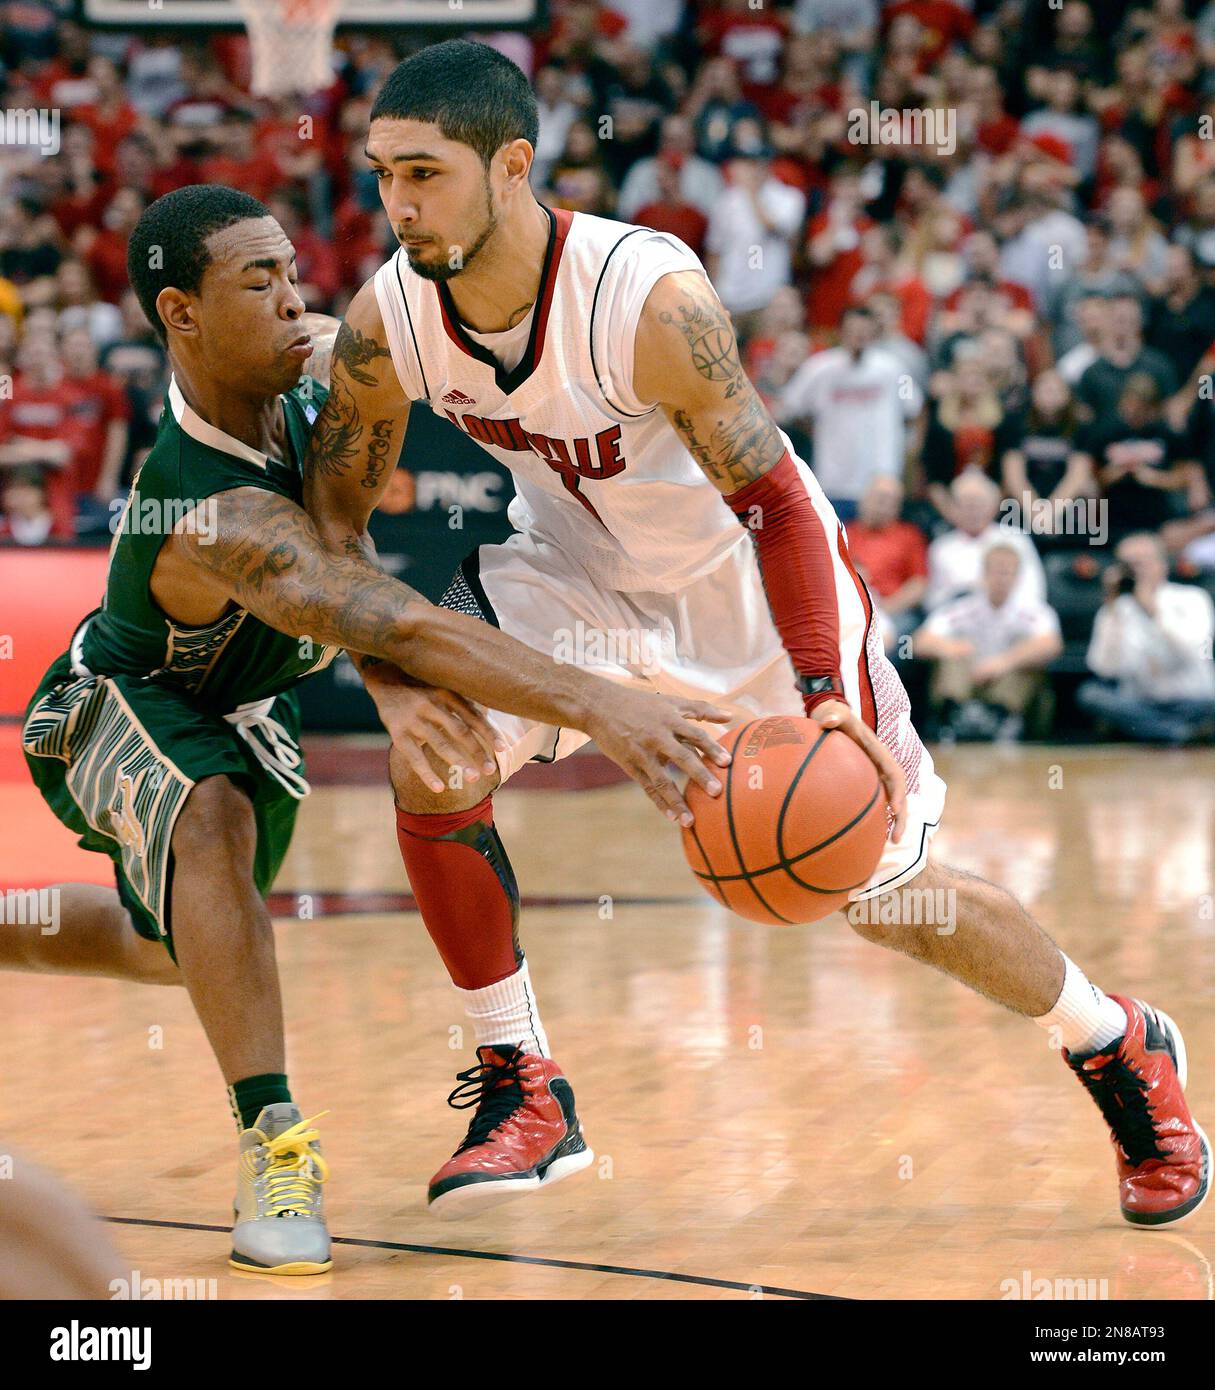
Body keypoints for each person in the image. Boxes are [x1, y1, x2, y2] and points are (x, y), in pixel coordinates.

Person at [304, 40, 1207, 1230]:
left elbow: (775, 501)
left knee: (882, 893)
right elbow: (333, 521)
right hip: (574, 583)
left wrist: (827, 690)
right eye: (383, 175)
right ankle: (524, 1083)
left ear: (511, 165)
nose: (397, 203)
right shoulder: (392, 321)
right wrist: (394, 685)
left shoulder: (645, 300)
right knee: (437, 759)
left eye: (423, 173)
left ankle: (1114, 1041)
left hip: (749, 599)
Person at [5, 185, 736, 1277]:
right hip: (122, 699)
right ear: (181, 314)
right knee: (208, 828)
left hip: (250, 706)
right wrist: (602, 702)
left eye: (293, 272)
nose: (297, 300)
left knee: (184, 951)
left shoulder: (311, 385)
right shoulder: (207, 506)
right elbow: (380, 610)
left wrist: (387, 679)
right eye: (260, 282)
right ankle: (275, 1142)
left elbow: (356, 574)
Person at [775, 304, 921, 520]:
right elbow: (788, 407)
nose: (859, 336)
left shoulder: (894, 369)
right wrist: (814, 432)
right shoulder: (819, 368)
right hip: (834, 480)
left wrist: (908, 451)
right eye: (853, 330)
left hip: (881, 481)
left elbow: (915, 409)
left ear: (874, 332)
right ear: (841, 331)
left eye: (865, 330)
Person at [913, 543, 1063, 742]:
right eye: (995, 571)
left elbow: (1051, 645)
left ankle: (1002, 719)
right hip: (967, 679)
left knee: (1027, 649)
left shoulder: (1034, 611)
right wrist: (953, 648)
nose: (1000, 579)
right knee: (953, 647)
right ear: (983, 573)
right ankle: (955, 718)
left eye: (1006, 572)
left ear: (1017, 576)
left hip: (1006, 685)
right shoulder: (962, 608)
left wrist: (1003, 662)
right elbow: (919, 642)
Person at [1079, 532, 1215, 746]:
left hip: (1193, 701)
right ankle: (1176, 734)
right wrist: (1112, 609)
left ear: (1162, 564)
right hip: (1141, 703)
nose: (1134, 571)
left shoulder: (1192, 598)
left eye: (1141, 563)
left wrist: (1152, 610)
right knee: (1091, 694)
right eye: (1127, 565)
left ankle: (1156, 731)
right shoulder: (1115, 609)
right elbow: (1103, 669)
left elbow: (1194, 653)